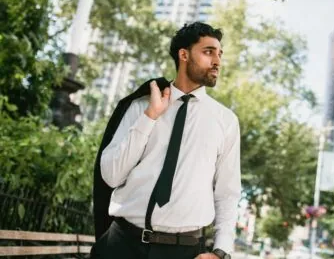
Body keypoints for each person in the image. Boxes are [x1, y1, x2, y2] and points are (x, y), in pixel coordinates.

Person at [91, 22, 241, 259]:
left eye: (219, 54)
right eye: (208, 52)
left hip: (183, 251)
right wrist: (149, 117)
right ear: (184, 54)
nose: (217, 61)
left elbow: (228, 193)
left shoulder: (226, 121)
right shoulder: (140, 106)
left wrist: (221, 251)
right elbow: (111, 176)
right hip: (121, 245)